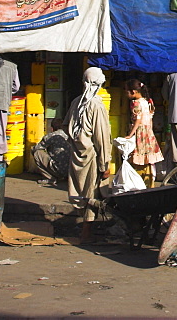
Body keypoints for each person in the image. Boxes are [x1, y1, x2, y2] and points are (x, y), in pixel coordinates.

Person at [64, 67, 112, 242]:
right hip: (92, 155)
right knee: (91, 193)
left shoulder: (76, 102)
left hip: (77, 153)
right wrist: (105, 163)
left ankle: (85, 229)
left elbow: (66, 125)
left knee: (81, 191)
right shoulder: (96, 105)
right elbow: (101, 137)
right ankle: (86, 233)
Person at [124, 79, 163, 186]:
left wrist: (130, 134)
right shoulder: (147, 101)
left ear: (133, 92)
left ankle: (136, 183)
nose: (126, 94)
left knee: (138, 160)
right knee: (147, 160)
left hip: (140, 133)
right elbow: (149, 119)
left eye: (127, 91)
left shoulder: (135, 103)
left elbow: (138, 120)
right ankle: (149, 183)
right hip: (148, 133)